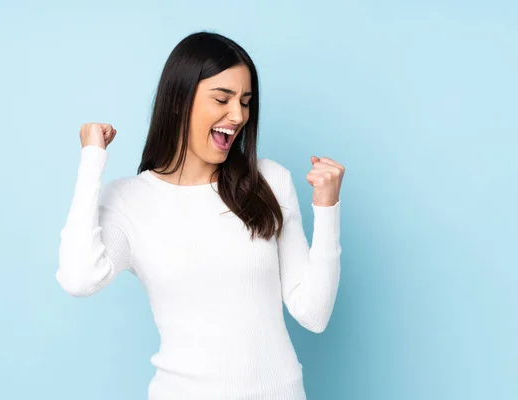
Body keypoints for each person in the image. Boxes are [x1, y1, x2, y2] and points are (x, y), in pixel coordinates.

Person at [56, 31, 345, 400]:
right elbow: (79, 279)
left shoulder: (269, 180)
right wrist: (92, 159)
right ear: (179, 101)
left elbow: (314, 313)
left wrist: (327, 208)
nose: (238, 115)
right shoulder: (130, 200)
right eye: (222, 98)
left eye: (245, 101)